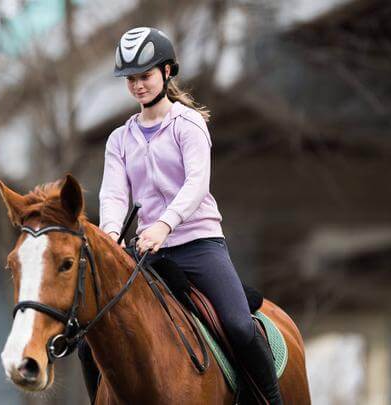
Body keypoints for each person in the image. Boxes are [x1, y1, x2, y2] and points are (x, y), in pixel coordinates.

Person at [79, 27, 283, 404]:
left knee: (239, 326)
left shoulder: (188, 124)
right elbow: (112, 192)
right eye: (131, 79)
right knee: (94, 331)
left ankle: (270, 399)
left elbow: (196, 184)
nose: (138, 86)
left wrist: (163, 225)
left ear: (167, 72)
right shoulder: (119, 140)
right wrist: (110, 233)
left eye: (145, 76)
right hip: (146, 253)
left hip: (198, 245)